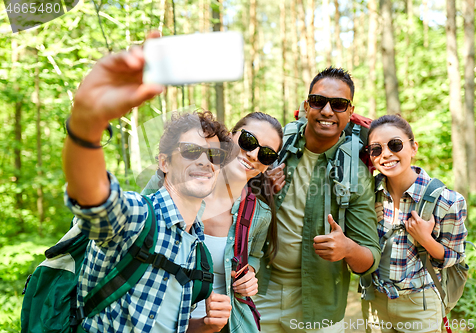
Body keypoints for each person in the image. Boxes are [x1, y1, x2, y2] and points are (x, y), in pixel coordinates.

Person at [63, 32, 232, 333]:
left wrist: (204, 325)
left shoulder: (198, 248)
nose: (205, 162)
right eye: (192, 151)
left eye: (214, 155)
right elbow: (94, 199)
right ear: (164, 162)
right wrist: (86, 124)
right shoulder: (138, 217)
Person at [254, 67, 381, 332]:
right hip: (258, 289)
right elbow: (229, 192)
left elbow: (370, 258)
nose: (326, 111)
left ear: (349, 111)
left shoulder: (355, 173)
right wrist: (261, 188)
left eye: (338, 105)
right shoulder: (276, 148)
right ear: (306, 105)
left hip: (318, 302)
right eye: (318, 101)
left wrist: (347, 248)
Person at [143, 112, 284, 333]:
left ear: (267, 165)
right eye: (248, 141)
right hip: (157, 320)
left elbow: (254, 255)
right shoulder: (175, 180)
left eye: (266, 154)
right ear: (229, 138)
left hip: (227, 325)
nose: (254, 154)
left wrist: (250, 275)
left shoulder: (259, 214)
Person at [361, 115, 468, 333]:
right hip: (375, 303)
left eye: (395, 144)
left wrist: (425, 239)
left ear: (413, 148)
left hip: (420, 305)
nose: (386, 154)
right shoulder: (366, 195)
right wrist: (366, 220)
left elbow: (454, 257)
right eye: (376, 149)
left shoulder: (447, 201)